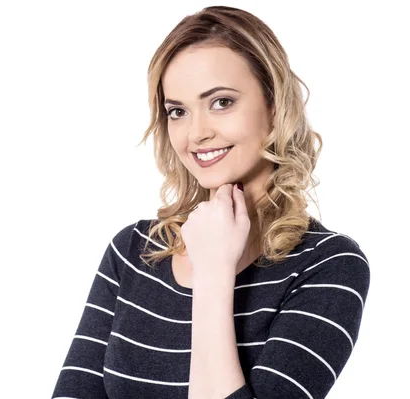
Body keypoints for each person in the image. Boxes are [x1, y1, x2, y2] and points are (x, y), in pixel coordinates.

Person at [51, 5, 370, 399]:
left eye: (221, 102)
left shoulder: (328, 264)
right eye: (177, 111)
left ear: (274, 105)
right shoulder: (133, 250)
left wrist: (214, 275)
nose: (196, 133)